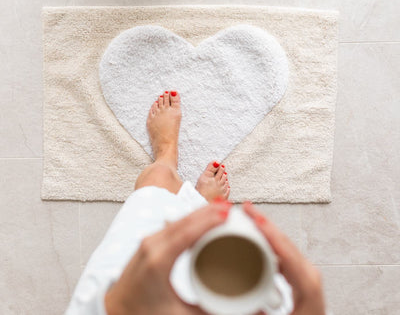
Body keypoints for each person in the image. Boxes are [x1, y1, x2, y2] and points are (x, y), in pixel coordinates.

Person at [66, 90, 326, 315]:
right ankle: (200, 204)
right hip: (247, 293)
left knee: (157, 180)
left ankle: (166, 156)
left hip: (145, 301)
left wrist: (115, 311)